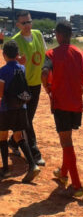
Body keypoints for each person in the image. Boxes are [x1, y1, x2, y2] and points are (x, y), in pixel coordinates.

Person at [41, 21, 83, 197]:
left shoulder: (51, 54)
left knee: (66, 141)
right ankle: (62, 174)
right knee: (66, 138)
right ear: (71, 34)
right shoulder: (80, 53)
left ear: (58, 35)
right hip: (76, 102)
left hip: (61, 102)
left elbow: (45, 73)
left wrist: (47, 88)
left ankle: (76, 185)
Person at [9, 11, 46, 166]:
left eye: (29, 21)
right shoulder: (15, 41)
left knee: (28, 118)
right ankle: (34, 152)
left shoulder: (38, 34)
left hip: (36, 83)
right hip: (23, 85)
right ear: (18, 25)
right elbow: (11, 64)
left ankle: (13, 141)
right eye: (23, 23)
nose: (27, 25)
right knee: (27, 121)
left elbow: (45, 54)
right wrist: (18, 62)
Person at [0, 40, 40, 182]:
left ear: (4, 54)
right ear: (17, 54)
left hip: (6, 109)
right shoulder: (22, 68)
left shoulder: (3, 71)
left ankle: (5, 170)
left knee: (3, 137)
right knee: (19, 136)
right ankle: (32, 165)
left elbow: (0, 94)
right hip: (21, 108)